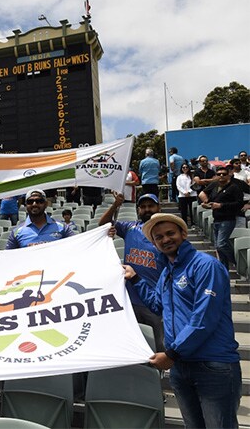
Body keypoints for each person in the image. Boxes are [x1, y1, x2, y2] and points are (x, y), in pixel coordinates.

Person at [124, 213, 240, 428]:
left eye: (170, 233)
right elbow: (157, 305)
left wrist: (172, 353)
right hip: (181, 365)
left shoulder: (206, 265)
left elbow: (204, 317)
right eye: (159, 237)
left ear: (183, 234)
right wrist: (135, 278)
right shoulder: (167, 272)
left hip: (212, 364)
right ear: (154, 243)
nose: (165, 239)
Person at [99, 192, 165, 351]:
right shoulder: (130, 228)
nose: (147, 209)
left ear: (159, 207)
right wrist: (115, 205)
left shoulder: (165, 232)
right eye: (143, 207)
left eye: (151, 206)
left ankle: (157, 375)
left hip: (154, 301)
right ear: (138, 210)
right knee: (134, 346)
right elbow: (103, 224)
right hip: (129, 299)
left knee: (158, 346)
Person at [199, 165, 245, 270]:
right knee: (219, 248)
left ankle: (239, 261)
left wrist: (221, 206)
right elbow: (211, 199)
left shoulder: (234, 187)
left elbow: (239, 203)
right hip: (217, 219)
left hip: (228, 219)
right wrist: (207, 204)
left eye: (224, 174)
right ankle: (224, 270)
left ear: (228, 175)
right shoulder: (215, 187)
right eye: (219, 174)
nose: (221, 176)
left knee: (221, 244)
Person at [6, 189, 76, 249]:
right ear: (26, 205)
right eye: (30, 202)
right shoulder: (16, 232)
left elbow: (77, 245)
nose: (34, 204)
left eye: (39, 201)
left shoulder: (62, 228)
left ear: (46, 204)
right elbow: (7, 257)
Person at [176, 163, 197, 227]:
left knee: (192, 211)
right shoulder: (179, 177)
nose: (185, 169)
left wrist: (189, 192)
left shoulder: (192, 176)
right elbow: (178, 186)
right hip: (182, 196)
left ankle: (193, 223)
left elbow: (194, 185)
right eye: (183, 167)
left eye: (186, 167)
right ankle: (184, 223)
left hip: (192, 195)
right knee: (183, 210)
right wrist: (184, 192)